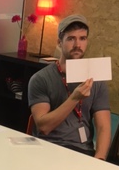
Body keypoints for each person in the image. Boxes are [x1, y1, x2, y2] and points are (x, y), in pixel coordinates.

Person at [28, 14, 111, 159]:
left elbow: (104, 127)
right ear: (59, 43)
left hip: (82, 150)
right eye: (71, 39)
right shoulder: (41, 79)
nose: (77, 45)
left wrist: (100, 160)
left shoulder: (96, 80)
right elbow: (44, 127)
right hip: (48, 148)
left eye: (82, 38)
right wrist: (74, 98)